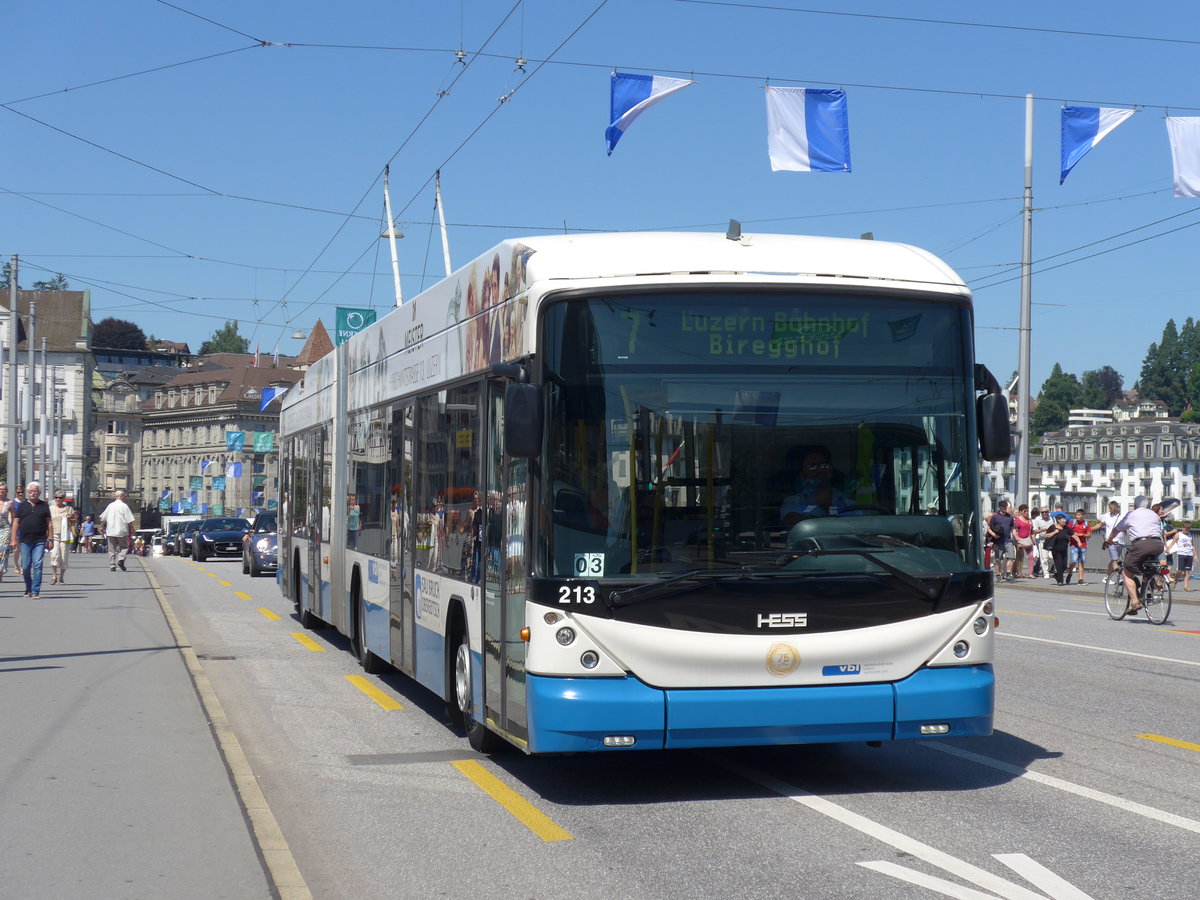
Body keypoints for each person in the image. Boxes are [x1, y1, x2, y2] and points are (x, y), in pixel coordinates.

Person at [1108, 497, 1170, 614]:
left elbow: (1116, 530)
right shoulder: (1154, 515)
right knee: (1149, 567)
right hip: (1158, 545)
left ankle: (1135, 602)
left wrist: (1109, 540)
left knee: (1126, 573)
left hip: (1140, 544)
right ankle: (1149, 590)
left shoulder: (1131, 515)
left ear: (1135, 506)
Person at [780, 446, 849, 526]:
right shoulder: (794, 501)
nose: (820, 470)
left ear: (831, 471)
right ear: (803, 475)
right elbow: (790, 521)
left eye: (824, 465)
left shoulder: (847, 501)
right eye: (812, 466)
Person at [12, 481, 53, 598]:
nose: (33, 493)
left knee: (37, 565)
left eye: (35, 491)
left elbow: (49, 524)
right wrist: (13, 539)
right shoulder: (22, 505)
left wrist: (50, 539)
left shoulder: (44, 506)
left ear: (39, 493)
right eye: (31, 491)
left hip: (39, 540)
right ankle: (28, 588)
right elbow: (15, 523)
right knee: (25, 566)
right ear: (27, 492)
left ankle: (35, 590)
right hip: (25, 540)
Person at [99, 489, 135, 572]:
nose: (125, 497)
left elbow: (103, 518)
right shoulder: (124, 506)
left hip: (110, 530)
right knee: (124, 547)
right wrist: (132, 529)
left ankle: (112, 565)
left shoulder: (110, 505)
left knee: (111, 549)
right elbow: (129, 519)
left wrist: (102, 527)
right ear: (121, 496)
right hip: (121, 530)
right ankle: (121, 559)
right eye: (124, 496)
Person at [48, 490, 77, 585]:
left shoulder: (69, 509)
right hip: (54, 534)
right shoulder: (51, 509)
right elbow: (47, 521)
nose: (58, 499)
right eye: (56, 497)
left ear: (64, 499)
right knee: (54, 554)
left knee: (64, 556)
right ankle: (54, 576)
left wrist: (70, 518)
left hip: (65, 535)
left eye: (60, 497)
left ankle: (61, 578)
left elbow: (75, 519)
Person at [986, 500, 1016, 583]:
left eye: (1005, 506)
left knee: (1011, 557)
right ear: (999, 507)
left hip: (1008, 540)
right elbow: (988, 528)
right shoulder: (995, 517)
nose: (1004, 508)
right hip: (998, 541)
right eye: (1003, 506)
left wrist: (1016, 538)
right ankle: (998, 575)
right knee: (998, 559)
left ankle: (1008, 574)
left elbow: (1013, 528)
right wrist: (994, 535)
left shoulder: (1010, 517)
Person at [1067, 509, 1094, 585]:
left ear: (1083, 516)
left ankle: (1080, 579)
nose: (1077, 516)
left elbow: (1089, 535)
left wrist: (1081, 535)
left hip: (1083, 545)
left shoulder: (1086, 524)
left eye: (1079, 515)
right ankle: (1070, 572)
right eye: (1076, 515)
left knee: (1081, 562)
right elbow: (1068, 531)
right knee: (1073, 561)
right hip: (1074, 545)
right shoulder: (1072, 523)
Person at [1044, 512, 1072, 584]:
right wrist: (1054, 532)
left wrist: (1078, 540)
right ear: (1058, 520)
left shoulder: (1066, 528)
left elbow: (1073, 534)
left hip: (1064, 549)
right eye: (1063, 519)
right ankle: (1060, 581)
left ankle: (1057, 575)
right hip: (1056, 549)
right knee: (1059, 565)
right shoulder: (1053, 527)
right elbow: (1045, 536)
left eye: (1065, 519)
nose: (1065, 520)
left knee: (1064, 566)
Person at [1099, 501, 1126, 578]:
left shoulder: (1123, 516)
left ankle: (1106, 577)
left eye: (1111, 508)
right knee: (1115, 559)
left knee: (1114, 560)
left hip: (1120, 542)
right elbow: (1099, 525)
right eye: (1109, 508)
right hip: (1110, 542)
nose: (1109, 510)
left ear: (1117, 508)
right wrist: (1089, 529)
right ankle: (1119, 578)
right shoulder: (1106, 516)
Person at [1167, 521, 1194, 591]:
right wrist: (1168, 549)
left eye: (1188, 530)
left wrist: (1195, 554)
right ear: (1182, 528)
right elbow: (1173, 542)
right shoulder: (1178, 534)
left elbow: (1191, 545)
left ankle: (1185, 587)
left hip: (1189, 554)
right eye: (1186, 529)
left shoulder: (1190, 535)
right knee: (1179, 570)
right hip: (1182, 554)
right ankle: (1175, 580)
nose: (1187, 531)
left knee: (1187, 571)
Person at [1031, 506, 1054, 579]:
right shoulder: (1038, 520)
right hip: (1042, 540)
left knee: (1051, 557)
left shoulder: (1052, 519)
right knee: (1044, 558)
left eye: (1046, 512)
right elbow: (1034, 531)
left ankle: (1048, 569)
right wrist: (1042, 530)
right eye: (1042, 512)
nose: (1044, 513)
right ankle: (1045, 573)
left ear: (1048, 512)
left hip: (1051, 540)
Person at [1013, 504, 1034, 578]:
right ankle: (1016, 572)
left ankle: (1030, 573)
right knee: (1019, 558)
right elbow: (1015, 531)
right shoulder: (1017, 520)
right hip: (1020, 540)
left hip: (1028, 540)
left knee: (1031, 556)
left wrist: (1033, 538)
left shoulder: (1029, 520)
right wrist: (1017, 541)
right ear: (1021, 512)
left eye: (1027, 511)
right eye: (1025, 511)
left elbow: (1031, 531)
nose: (1026, 512)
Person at [0, 483, 13, 583]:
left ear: (6, 491)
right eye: (0, 489)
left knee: (2, 549)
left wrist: (12, 529)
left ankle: (0, 571)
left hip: (5, 528)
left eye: (3, 489)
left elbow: (13, 516)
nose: (1, 491)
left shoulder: (9, 503)